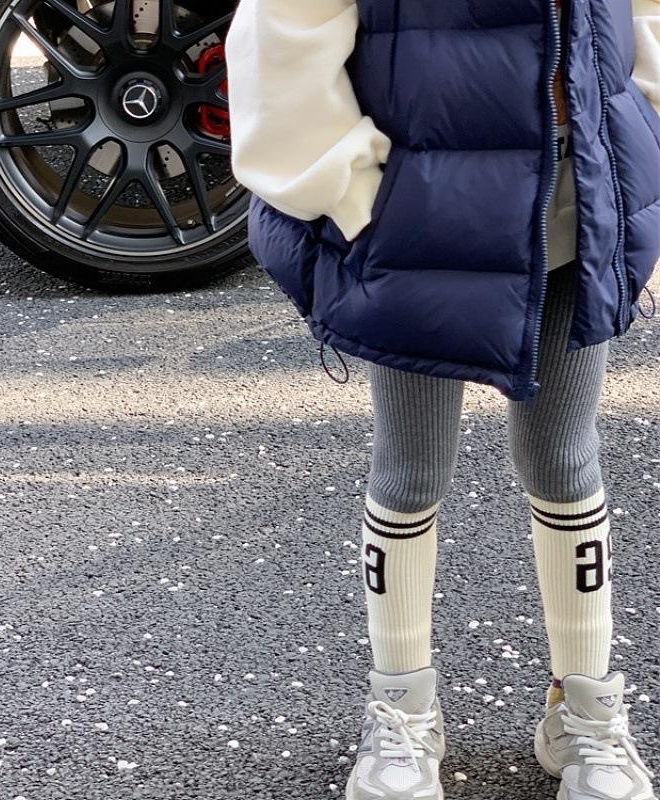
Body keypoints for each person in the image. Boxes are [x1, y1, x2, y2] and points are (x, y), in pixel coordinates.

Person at [224, 2, 660, 799]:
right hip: (417, 208)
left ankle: (587, 709)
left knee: (566, 461)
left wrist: (642, 135)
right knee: (411, 469)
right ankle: (401, 705)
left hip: (578, 191)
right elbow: (284, 27)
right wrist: (354, 193)